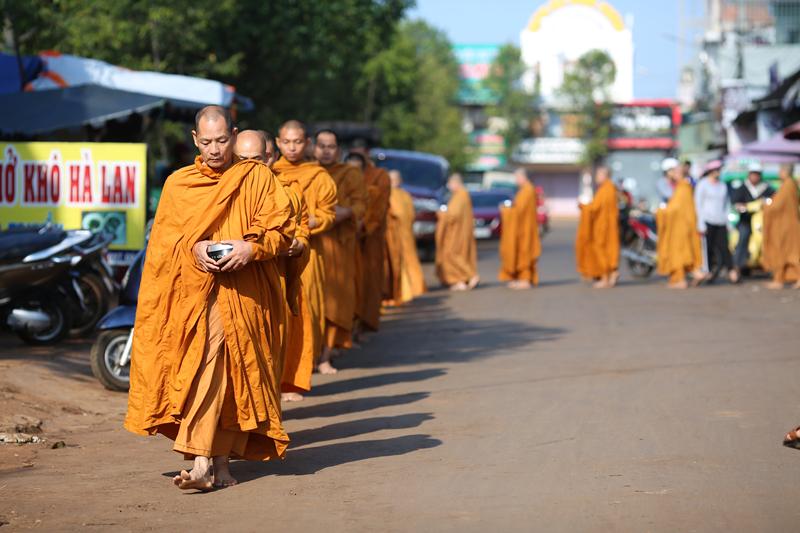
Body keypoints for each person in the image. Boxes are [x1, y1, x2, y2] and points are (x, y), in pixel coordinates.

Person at [124, 106, 294, 491]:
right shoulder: (179, 184)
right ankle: (205, 461)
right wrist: (195, 248)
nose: (215, 149)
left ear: (233, 135)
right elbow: (165, 248)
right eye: (207, 142)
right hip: (194, 297)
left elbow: (281, 231)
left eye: (222, 140)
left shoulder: (256, 177)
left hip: (246, 294)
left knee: (229, 374)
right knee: (208, 366)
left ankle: (215, 462)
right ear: (194, 139)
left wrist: (251, 250)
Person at [272, 120, 338, 399]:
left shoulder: (319, 175)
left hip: (309, 253)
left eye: (297, 142)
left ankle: (302, 369)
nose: (292, 147)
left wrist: (312, 221)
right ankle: (281, 373)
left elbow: (329, 214)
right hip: (275, 252)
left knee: (306, 308)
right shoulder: (270, 172)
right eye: (286, 142)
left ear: (306, 143)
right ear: (277, 143)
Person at [314, 129, 367, 373]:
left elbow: (360, 205)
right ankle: (309, 355)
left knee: (334, 305)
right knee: (310, 305)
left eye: (331, 146)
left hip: (338, 246)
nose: (326, 150)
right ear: (312, 147)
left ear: (339, 150)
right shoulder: (306, 173)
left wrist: (343, 213)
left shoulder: (350, 174)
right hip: (311, 247)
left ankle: (325, 355)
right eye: (321, 145)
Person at [349, 141, 391, 332]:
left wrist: (365, 227)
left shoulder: (379, 177)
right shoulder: (343, 176)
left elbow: (380, 208)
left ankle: (366, 324)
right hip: (347, 240)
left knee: (370, 282)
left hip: (370, 239)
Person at [656, 162, 703, 289]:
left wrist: (661, 212)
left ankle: (681, 280)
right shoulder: (684, 187)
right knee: (685, 252)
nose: (672, 174)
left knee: (678, 253)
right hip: (684, 225)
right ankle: (695, 272)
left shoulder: (682, 188)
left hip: (680, 227)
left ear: (679, 174)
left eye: (674, 172)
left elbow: (675, 208)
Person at [384, 169, 426, 305]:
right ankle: (398, 292)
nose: (394, 181)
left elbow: (409, 214)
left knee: (408, 260)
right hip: (392, 235)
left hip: (405, 234)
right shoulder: (386, 194)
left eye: (396, 178)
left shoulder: (405, 195)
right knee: (395, 263)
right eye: (392, 179)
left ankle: (411, 288)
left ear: (400, 180)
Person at [693, 160, 737, 284]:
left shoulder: (722, 185)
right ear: (711, 171)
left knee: (725, 247)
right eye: (716, 170)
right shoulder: (703, 184)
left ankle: (731, 271)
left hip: (721, 220)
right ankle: (707, 271)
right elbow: (698, 204)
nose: (718, 172)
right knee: (708, 248)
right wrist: (700, 222)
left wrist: (728, 222)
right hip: (708, 220)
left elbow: (726, 205)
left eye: (719, 170)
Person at [575, 166, 620, 288]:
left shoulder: (606, 189)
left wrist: (583, 207)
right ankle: (612, 273)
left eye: (598, 175)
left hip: (603, 227)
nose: (596, 177)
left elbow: (595, 208)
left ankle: (605, 277)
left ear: (604, 175)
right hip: (608, 226)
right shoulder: (609, 188)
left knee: (601, 249)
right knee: (608, 250)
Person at [499, 168, 541, 290]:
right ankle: (519, 278)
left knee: (524, 252)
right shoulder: (524, 190)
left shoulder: (528, 190)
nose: (516, 180)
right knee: (520, 252)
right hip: (522, 228)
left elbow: (518, 211)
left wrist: (505, 210)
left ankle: (525, 279)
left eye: (517, 178)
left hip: (525, 230)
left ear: (523, 177)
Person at [435, 173, 478, 291]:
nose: (449, 186)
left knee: (453, 254)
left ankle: (470, 276)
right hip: (459, 232)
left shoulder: (461, 195)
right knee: (458, 255)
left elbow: (453, 215)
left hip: (457, 233)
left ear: (455, 183)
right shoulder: (460, 195)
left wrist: (442, 214)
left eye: (450, 184)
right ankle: (460, 279)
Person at [730, 162, 775, 276]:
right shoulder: (742, 188)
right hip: (746, 221)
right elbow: (735, 202)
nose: (755, 176)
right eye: (753, 174)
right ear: (749, 174)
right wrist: (741, 207)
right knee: (743, 236)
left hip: (762, 221)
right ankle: (737, 266)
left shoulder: (766, 188)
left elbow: (774, 199)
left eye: (758, 174)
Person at [762, 163, 800, 290]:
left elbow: (778, 205)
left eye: (780, 170)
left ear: (785, 171)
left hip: (787, 225)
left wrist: (766, 207)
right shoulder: (789, 184)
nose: (779, 173)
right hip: (786, 224)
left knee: (789, 253)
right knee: (786, 252)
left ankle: (782, 280)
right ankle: (779, 279)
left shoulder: (788, 185)